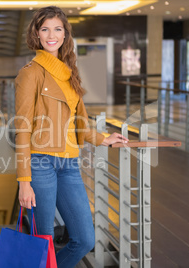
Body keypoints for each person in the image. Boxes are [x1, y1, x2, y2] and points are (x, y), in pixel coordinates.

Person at [14, 6, 129, 268]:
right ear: (37, 34)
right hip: (41, 163)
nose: (51, 35)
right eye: (45, 29)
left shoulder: (69, 72)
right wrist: (24, 181)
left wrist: (102, 139)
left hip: (68, 164)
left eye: (57, 29)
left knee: (84, 239)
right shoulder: (30, 73)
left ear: (65, 34)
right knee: (42, 242)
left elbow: (78, 122)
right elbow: (22, 128)